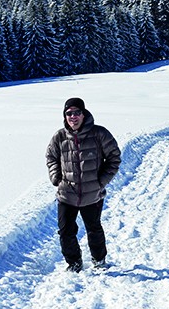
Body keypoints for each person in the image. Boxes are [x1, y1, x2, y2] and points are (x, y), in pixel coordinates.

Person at [46, 97, 121, 272]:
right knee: (66, 231)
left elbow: (114, 158)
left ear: (83, 113)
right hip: (66, 193)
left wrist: (101, 182)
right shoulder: (59, 136)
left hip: (92, 193)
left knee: (93, 228)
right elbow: (51, 157)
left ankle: (99, 260)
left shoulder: (99, 134)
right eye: (69, 113)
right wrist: (56, 177)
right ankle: (74, 263)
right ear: (65, 116)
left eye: (77, 112)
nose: (73, 117)